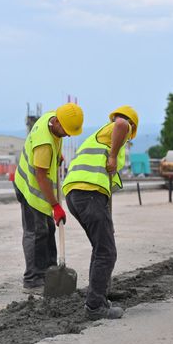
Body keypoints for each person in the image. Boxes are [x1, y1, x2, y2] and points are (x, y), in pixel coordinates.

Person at [62, 105, 139, 320]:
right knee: (106, 251)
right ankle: (95, 307)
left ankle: (98, 298)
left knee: (101, 248)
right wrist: (113, 156)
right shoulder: (117, 127)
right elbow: (122, 123)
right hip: (89, 194)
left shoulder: (100, 137)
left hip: (75, 194)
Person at [13, 102, 84, 293]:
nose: (69, 135)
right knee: (36, 232)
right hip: (30, 189)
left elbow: (56, 140)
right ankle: (33, 280)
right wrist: (55, 206)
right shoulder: (44, 144)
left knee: (48, 228)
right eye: (67, 130)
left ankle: (50, 273)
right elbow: (41, 176)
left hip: (39, 188)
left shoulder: (52, 117)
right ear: (58, 122)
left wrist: (58, 154)